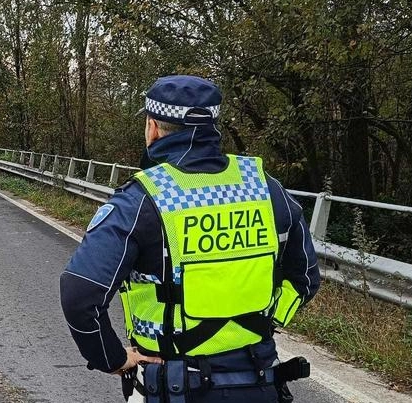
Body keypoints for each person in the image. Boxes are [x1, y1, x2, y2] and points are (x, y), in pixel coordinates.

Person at [60, 75, 320, 402]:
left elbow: (79, 292)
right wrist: (267, 321)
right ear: (214, 126)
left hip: (174, 385)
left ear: (152, 127)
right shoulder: (265, 188)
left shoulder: (142, 200)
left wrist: (110, 358)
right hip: (259, 379)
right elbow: (306, 278)